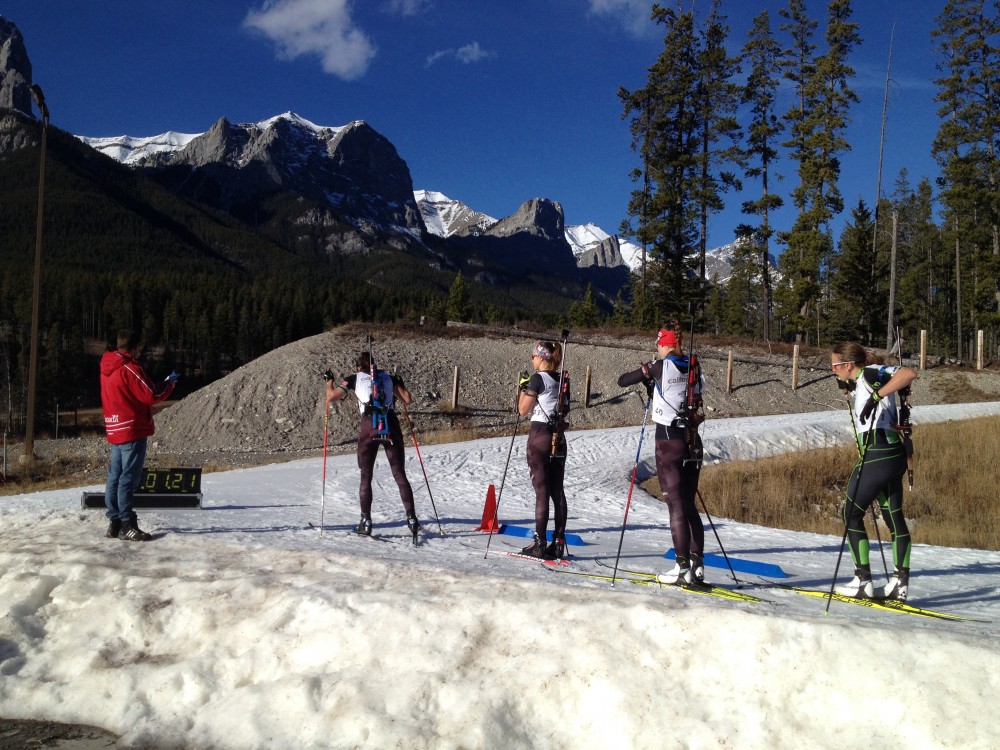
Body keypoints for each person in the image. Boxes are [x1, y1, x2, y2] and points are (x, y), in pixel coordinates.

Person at [617, 321, 705, 585]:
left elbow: (623, 380)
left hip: (668, 439)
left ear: (665, 344)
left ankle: (681, 569)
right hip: (693, 439)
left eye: (659, 343)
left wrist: (648, 372)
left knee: (675, 505)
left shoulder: (660, 366)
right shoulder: (693, 364)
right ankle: (697, 567)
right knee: (689, 504)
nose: (658, 347)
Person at [830, 342, 917, 600]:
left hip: (878, 454)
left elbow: (908, 374)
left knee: (851, 513)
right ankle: (899, 584)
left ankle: (862, 581)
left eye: (835, 365)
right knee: (894, 518)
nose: (832, 370)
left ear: (848, 365)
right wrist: (855, 389)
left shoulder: (869, 373)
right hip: (892, 455)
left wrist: (877, 396)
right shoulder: (863, 380)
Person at [326, 350, 419, 537]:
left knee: (365, 476)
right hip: (390, 423)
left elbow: (332, 396)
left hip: (369, 426)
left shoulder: (353, 378)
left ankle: (366, 521)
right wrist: (399, 382)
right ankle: (412, 519)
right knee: (399, 473)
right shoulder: (388, 377)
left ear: (358, 367)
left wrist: (329, 380)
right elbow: (407, 400)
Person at [100, 330, 177, 541]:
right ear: (134, 348)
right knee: (128, 478)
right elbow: (151, 395)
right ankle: (127, 523)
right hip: (131, 428)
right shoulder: (130, 368)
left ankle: (114, 522)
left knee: (114, 477)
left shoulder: (107, 367)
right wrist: (169, 384)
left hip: (115, 427)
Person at [516, 340, 571, 558]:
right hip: (559, 436)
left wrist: (523, 387)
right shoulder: (562, 378)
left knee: (542, 492)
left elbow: (522, 410)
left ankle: (539, 542)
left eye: (534, 356)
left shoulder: (538, 378)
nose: (532, 359)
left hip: (540, 434)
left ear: (541, 357)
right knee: (557, 491)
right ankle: (558, 542)